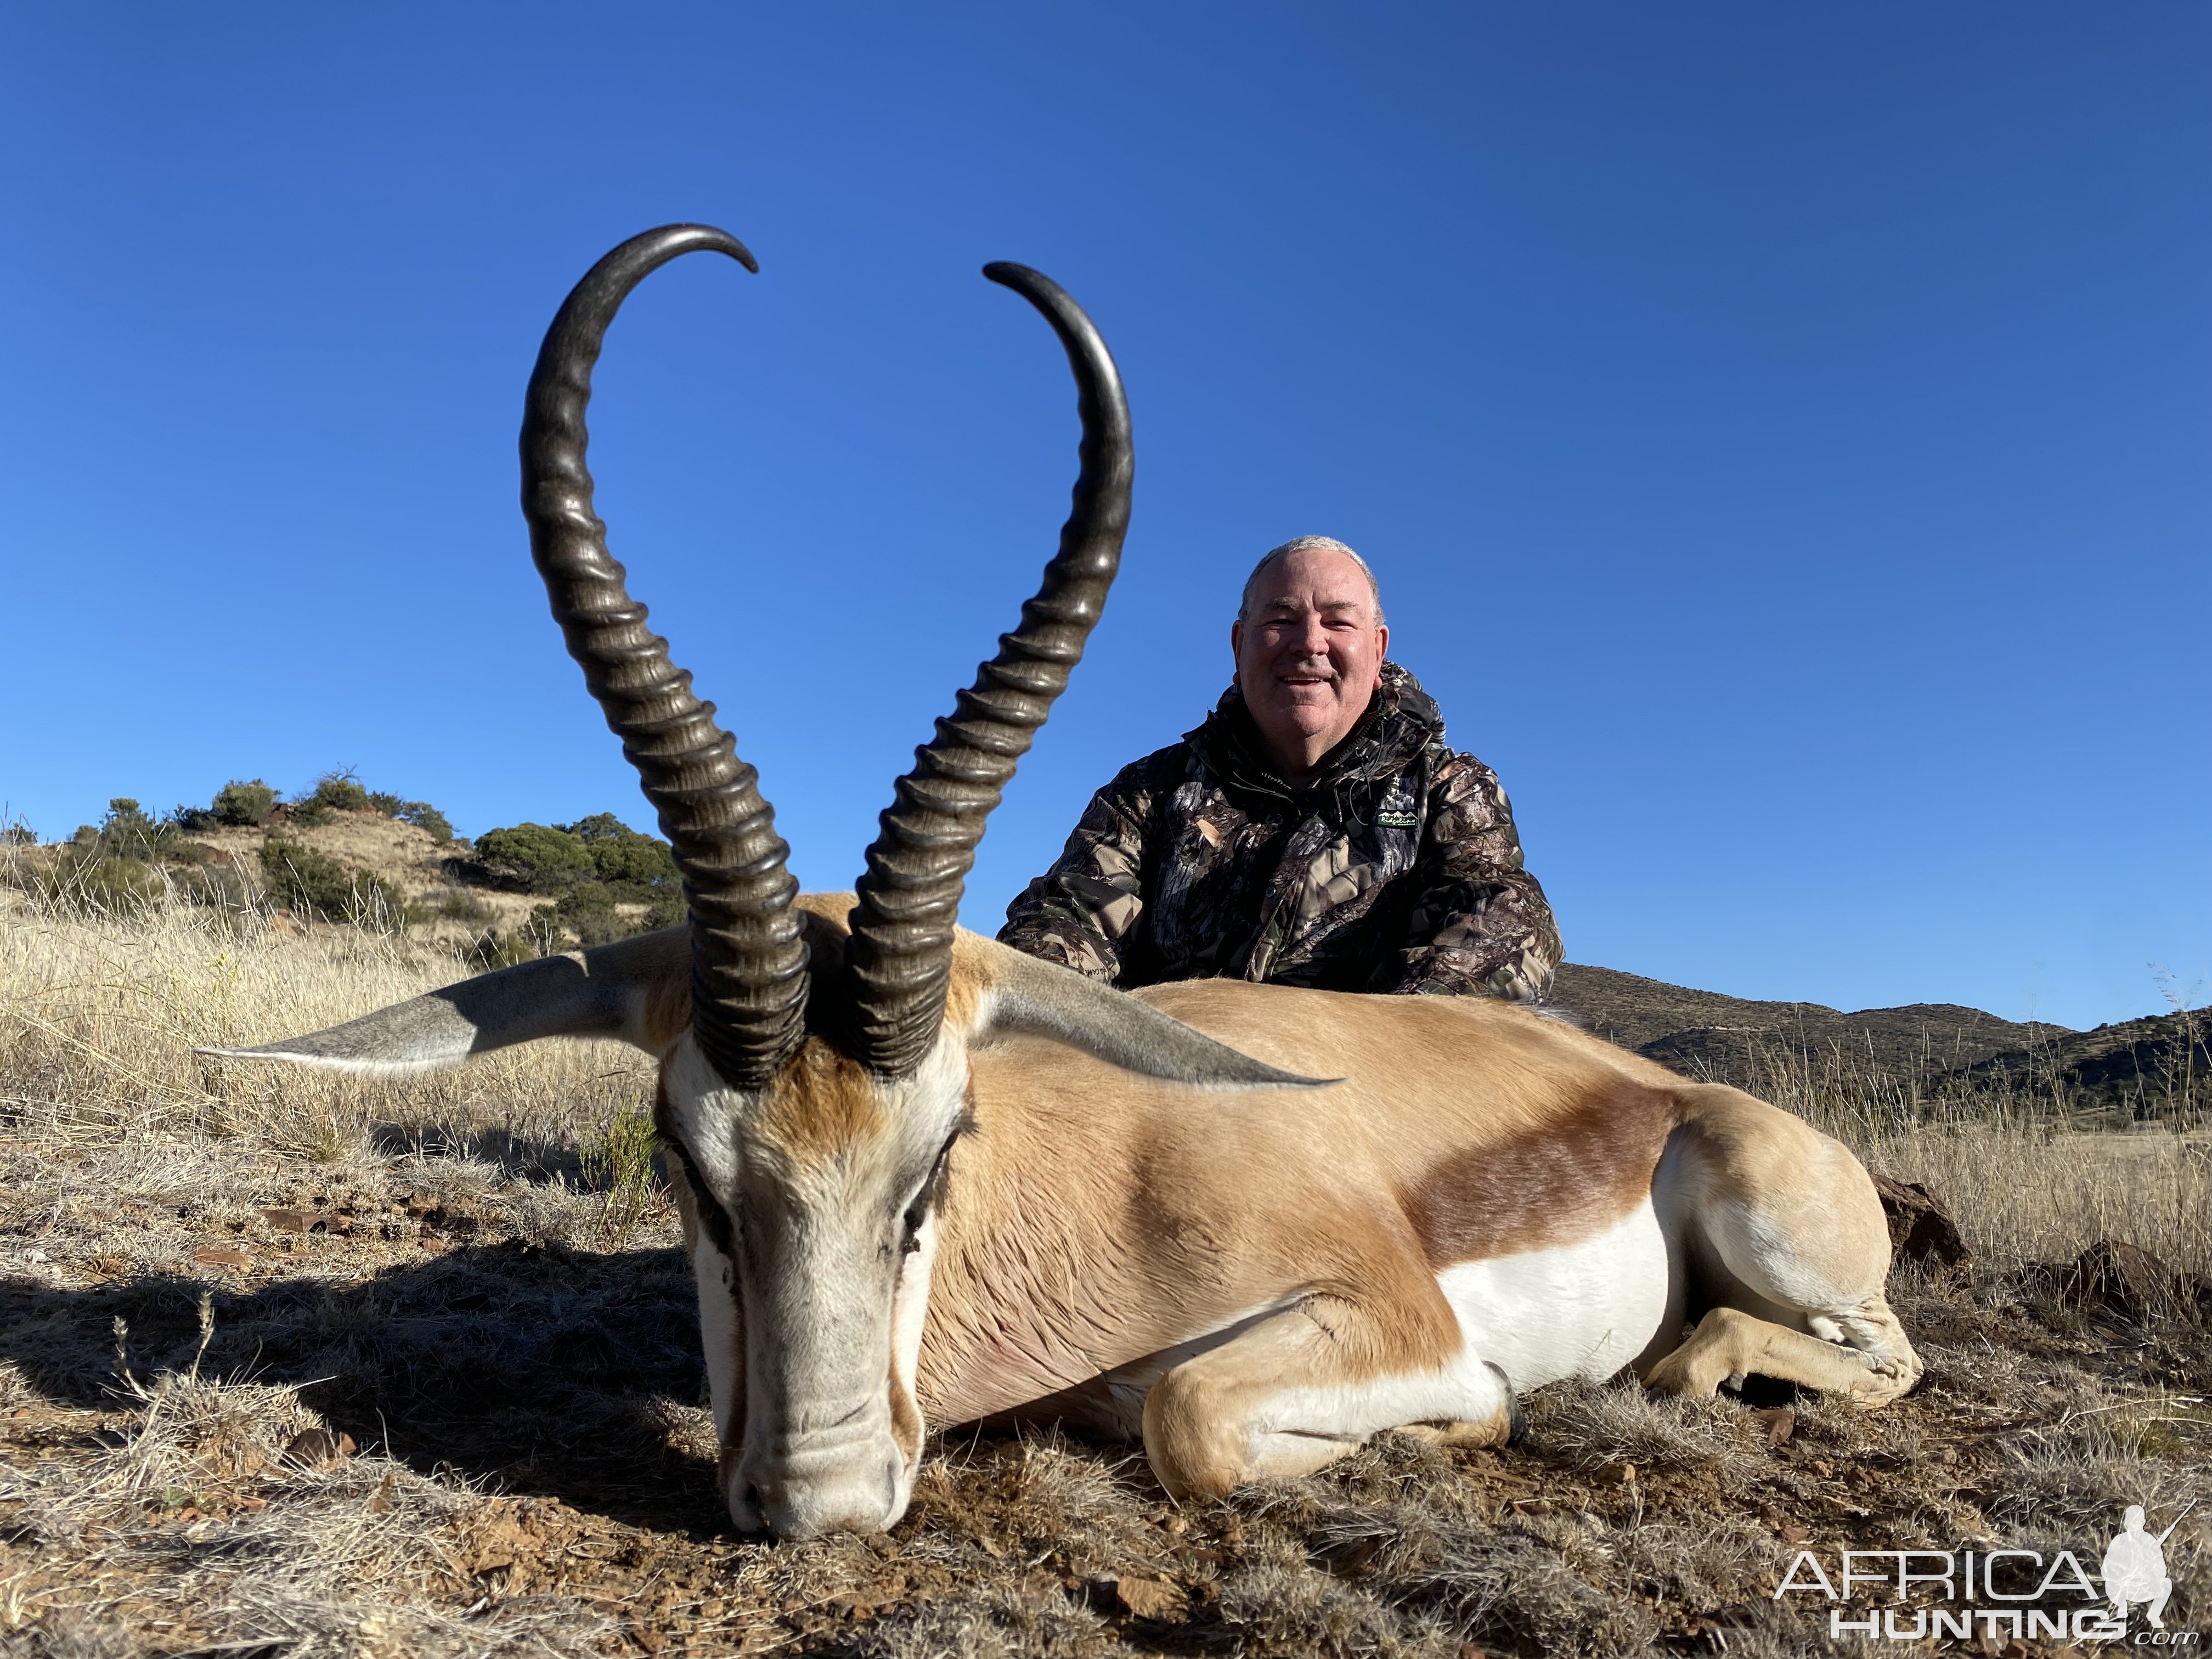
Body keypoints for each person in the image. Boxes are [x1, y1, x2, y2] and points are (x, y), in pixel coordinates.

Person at [1000, 535, 1562, 999]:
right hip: (1169, 1095)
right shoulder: (1150, 793)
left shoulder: (1448, 790)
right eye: (1283, 619)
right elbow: (1068, 916)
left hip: (1368, 1102)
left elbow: (1504, 916)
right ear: (1240, 644)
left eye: (1338, 622)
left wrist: (1394, 1047)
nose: (1309, 643)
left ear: (1377, 649)